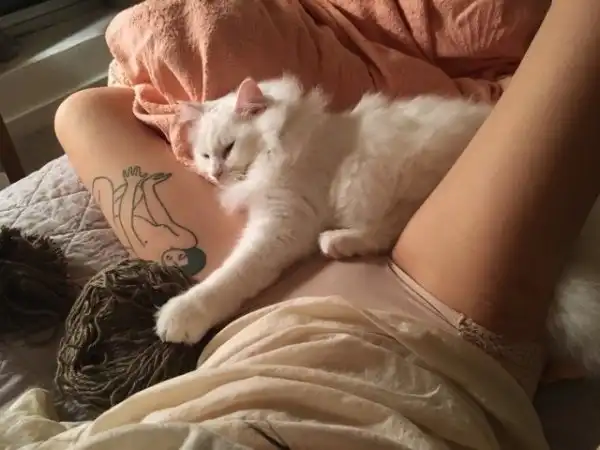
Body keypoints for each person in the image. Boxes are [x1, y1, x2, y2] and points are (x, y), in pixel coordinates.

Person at [54, 0, 600, 448]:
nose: (213, 169)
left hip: (255, 328)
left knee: (76, 111)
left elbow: (99, 108)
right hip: (424, 322)